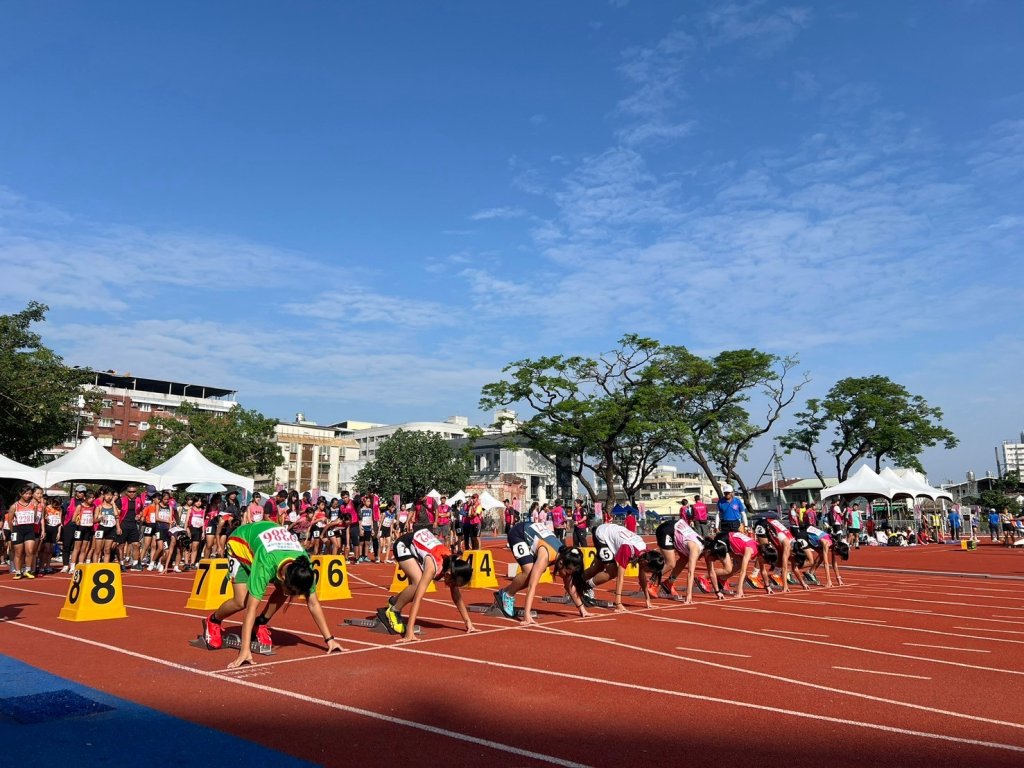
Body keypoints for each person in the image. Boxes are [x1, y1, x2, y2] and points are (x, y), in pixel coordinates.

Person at [202, 520, 345, 668]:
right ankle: (213, 620)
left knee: (283, 592)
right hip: (240, 545)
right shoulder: (266, 563)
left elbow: (313, 603)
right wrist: (245, 651)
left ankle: (260, 623)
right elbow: (251, 608)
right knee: (241, 601)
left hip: (269, 546)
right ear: (283, 577)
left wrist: (329, 639)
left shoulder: (303, 565)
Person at [379, 527, 475, 643]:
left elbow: (457, 598)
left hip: (419, 545)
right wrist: (409, 632)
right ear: (449, 574)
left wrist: (468, 622)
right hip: (403, 544)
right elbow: (418, 599)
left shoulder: (452, 565)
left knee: (415, 587)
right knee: (418, 583)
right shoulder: (433, 567)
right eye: (454, 583)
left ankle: (394, 601)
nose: (453, 586)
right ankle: (394, 610)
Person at [497, 521, 589, 624]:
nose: (568, 576)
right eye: (567, 573)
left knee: (533, 571)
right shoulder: (545, 556)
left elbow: (569, 585)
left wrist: (582, 609)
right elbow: (532, 586)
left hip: (534, 534)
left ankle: (505, 592)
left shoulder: (565, 556)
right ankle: (508, 594)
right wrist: (527, 615)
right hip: (518, 534)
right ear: (561, 563)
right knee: (529, 571)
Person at [584, 522, 665, 613]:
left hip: (611, 534)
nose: (649, 573)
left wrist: (647, 600)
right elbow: (620, 576)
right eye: (650, 571)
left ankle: (577, 581)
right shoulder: (628, 549)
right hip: (602, 535)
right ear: (645, 562)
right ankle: (585, 586)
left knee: (597, 568)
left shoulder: (646, 553)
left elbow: (642, 578)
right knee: (612, 571)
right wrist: (618, 603)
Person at [654, 516, 704, 604]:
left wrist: (717, 591)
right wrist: (689, 595)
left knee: (684, 558)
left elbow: (711, 571)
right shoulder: (695, 549)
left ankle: (668, 583)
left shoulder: (703, 543)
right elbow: (690, 573)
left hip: (676, 528)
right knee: (670, 563)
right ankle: (650, 581)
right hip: (666, 530)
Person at [6, 485, 39, 579]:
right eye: (25, 493)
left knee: (30, 551)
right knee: (18, 552)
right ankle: (18, 571)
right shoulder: (14, 506)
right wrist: (13, 532)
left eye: (29, 493)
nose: (28, 495)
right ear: (21, 494)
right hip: (17, 530)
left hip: (29, 530)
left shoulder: (34, 505)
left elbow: (34, 517)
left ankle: (28, 570)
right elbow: (10, 521)